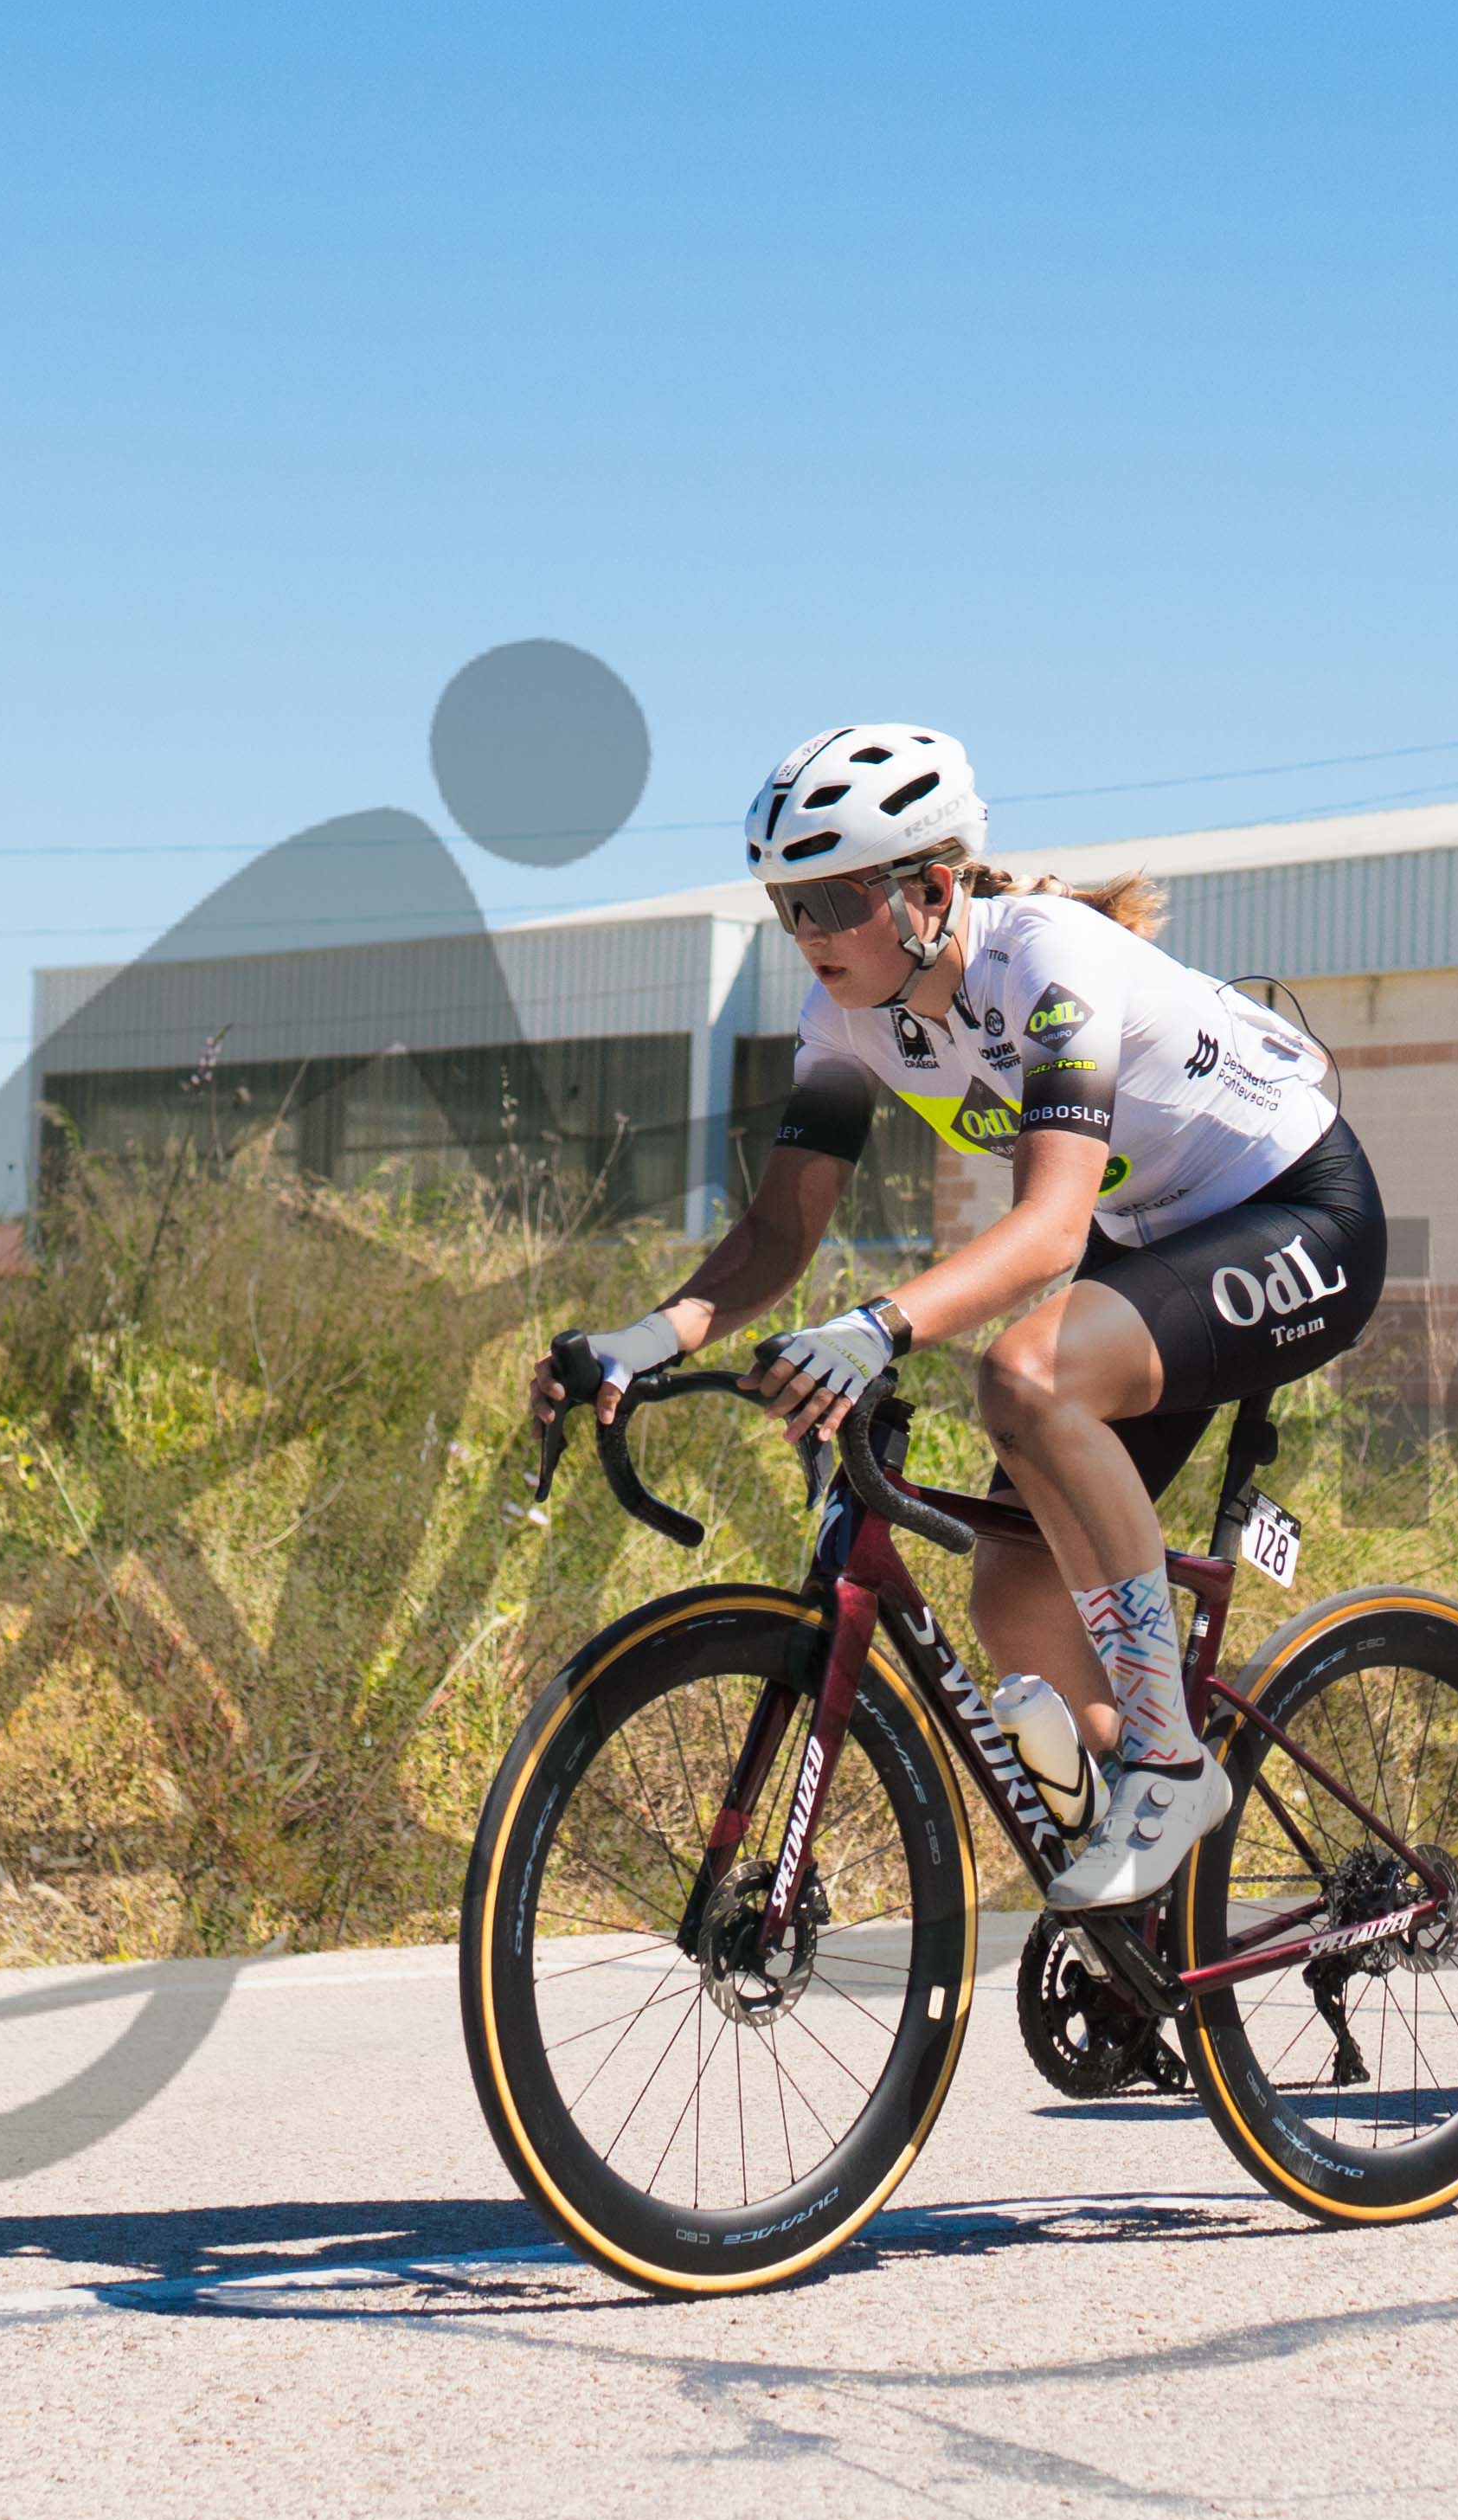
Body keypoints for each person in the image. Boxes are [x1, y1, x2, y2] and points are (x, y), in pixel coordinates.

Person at [537, 721, 1383, 1913]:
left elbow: (1047, 1232)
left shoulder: (1047, 963)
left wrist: (873, 1328)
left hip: (1297, 1214)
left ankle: (1168, 1766)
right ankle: (1148, 1894)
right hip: (1157, 1238)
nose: (808, 934)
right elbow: (777, 1234)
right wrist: (642, 1338)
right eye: (787, 906)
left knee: (1026, 1378)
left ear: (931, 890)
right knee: (1014, 1592)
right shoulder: (843, 1021)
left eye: (834, 901)